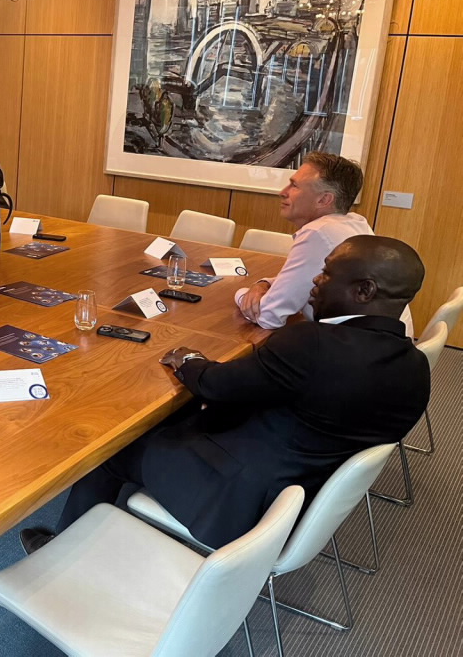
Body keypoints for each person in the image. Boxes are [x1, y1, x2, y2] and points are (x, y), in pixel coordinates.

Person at [22, 235, 429, 553]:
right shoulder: (416, 367)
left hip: (237, 499)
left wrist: (186, 359)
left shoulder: (313, 344)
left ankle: (65, 549)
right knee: (175, 418)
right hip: (301, 496)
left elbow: (216, 385)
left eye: (326, 274)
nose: (315, 282)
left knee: (109, 448)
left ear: (363, 291)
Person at [236, 151, 411, 333]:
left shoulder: (318, 233)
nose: (283, 192)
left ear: (324, 199)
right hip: (389, 345)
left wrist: (241, 295)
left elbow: (268, 317)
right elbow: (301, 281)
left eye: (294, 186)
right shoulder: (355, 223)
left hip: (358, 352)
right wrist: (263, 284)